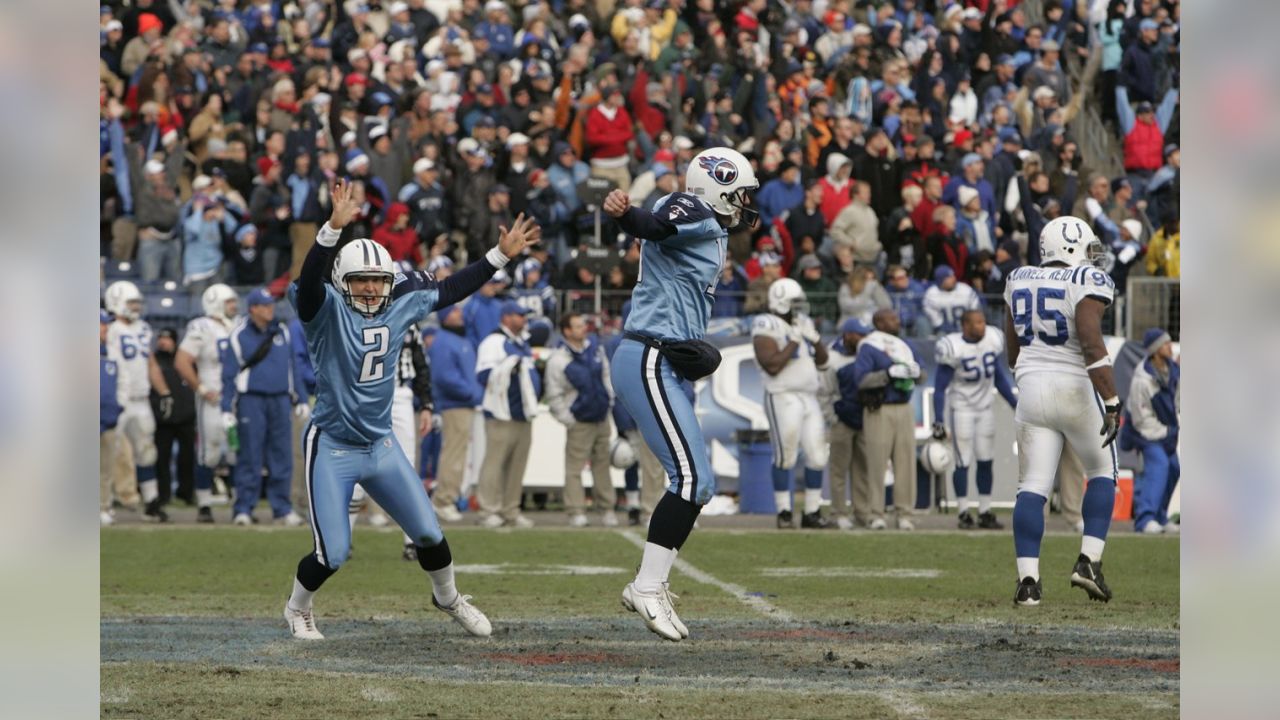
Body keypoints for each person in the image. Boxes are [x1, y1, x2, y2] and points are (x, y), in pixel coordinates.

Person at [282, 178, 537, 640]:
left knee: (430, 535)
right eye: (361, 280)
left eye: (378, 281)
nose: (371, 289)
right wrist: (330, 231)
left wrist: (499, 256)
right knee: (333, 553)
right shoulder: (325, 309)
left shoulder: (399, 305)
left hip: (379, 444)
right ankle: (298, 608)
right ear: (342, 281)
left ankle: (449, 599)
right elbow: (308, 287)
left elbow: (452, 289)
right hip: (334, 445)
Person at [603, 146, 759, 642]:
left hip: (664, 358)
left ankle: (649, 584)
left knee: (700, 482)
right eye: (740, 193)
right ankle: (647, 586)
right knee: (692, 479)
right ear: (718, 186)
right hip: (649, 353)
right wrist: (628, 214)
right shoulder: (691, 208)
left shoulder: (712, 231)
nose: (745, 204)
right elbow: (654, 226)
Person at [1003, 215, 1121, 606]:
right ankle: (1088, 561)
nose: (1092, 257)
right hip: (1073, 388)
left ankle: (1028, 584)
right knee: (1102, 472)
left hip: (1032, 389)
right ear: (1072, 247)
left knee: (1032, 488)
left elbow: (1012, 352)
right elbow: (1090, 342)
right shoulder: (1086, 281)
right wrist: (1112, 400)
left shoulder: (1017, 277)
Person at [221, 289, 307, 527]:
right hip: (251, 400)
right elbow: (229, 374)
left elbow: (293, 368)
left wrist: (300, 397)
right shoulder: (238, 335)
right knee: (249, 455)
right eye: (265, 305)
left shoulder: (283, 332)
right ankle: (244, 508)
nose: (270, 309)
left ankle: (282, 508)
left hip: (280, 399)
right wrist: (226, 408)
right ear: (253, 309)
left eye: (271, 304)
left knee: (282, 456)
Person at [751, 278, 831, 529]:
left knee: (818, 456)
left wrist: (815, 340)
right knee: (785, 456)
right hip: (782, 394)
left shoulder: (802, 323)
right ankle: (784, 512)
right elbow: (772, 365)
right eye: (794, 302)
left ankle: (812, 512)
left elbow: (824, 363)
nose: (799, 307)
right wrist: (795, 341)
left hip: (809, 396)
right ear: (780, 301)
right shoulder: (765, 323)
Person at [932, 310, 1018, 530]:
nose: (981, 326)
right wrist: (939, 420)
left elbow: (998, 376)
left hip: (985, 408)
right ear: (964, 325)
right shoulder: (952, 347)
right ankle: (962, 511)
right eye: (976, 322)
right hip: (961, 408)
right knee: (963, 461)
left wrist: (1015, 404)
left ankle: (985, 511)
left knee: (986, 460)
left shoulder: (993, 338)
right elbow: (940, 387)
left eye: (983, 321)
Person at [850, 309, 925, 530]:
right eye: (892, 319)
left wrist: (915, 373)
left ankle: (904, 513)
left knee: (905, 463)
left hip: (904, 407)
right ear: (879, 322)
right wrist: (887, 375)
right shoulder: (869, 346)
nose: (897, 321)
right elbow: (861, 380)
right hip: (880, 408)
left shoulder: (904, 345)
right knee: (876, 463)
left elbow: (922, 374)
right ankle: (875, 513)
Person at [103, 281, 168, 522]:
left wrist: (164, 391)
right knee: (109, 452)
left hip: (141, 399)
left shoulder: (143, 328)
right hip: (117, 399)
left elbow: (150, 362)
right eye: (131, 302)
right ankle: (104, 504)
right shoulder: (109, 329)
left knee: (146, 452)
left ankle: (151, 502)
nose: (136, 307)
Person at [544, 313, 617, 528]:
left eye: (583, 325)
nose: (583, 329)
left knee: (602, 465)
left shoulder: (596, 349)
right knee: (575, 468)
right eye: (577, 326)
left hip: (601, 417)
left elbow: (606, 376)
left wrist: (608, 401)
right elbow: (553, 393)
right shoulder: (558, 358)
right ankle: (576, 510)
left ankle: (607, 509)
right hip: (580, 421)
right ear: (566, 331)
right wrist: (568, 419)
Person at [175, 284, 240, 522]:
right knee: (208, 453)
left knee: (236, 451)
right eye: (229, 302)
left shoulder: (239, 324)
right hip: (213, 400)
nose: (234, 306)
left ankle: (239, 504)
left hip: (236, 400)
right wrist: (201, 388)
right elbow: (182, 361)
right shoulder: (201, 326)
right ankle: (204, 505)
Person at [475, 301, 543, 528]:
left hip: (523, 413)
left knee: (517, 465)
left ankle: (511, 509)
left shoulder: (521, 342)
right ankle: (488, 509)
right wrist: (510, 369)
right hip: (501, 413)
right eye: (519, 315)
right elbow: (484, 375)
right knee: (494, 463)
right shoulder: (494, 342)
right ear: (506, 317)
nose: (523, 319)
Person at [428, 304, 484, 523]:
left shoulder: (461, 340)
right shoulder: (444, 341)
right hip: (455, 404)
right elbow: (443, 377)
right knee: (453, 454)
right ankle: (443, 500)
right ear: (444, 316)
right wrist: (471, 393)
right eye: (453, 311)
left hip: (465, 403)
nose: (459, 314)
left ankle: (449, 497)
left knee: (458, 454)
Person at [1126, 328, 1180, 534]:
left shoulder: (1174, 370)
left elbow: (1178, 401)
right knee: (1160, 465)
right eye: (1165, 343)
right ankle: (1144, 519)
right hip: (1144, 434)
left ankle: (1160, 517)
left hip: (1166, 432)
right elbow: (1140, 419)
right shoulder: (1142, 379)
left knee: (1175, 468)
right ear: (1156, 350)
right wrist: (1165, 432)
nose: (1170, 346)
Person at [821, 318, 871, 530]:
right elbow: (824, 391)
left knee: (863, 468)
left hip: (866, 416)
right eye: (859, 335)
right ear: (848, 335)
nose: (863, 339)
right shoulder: (831, 355)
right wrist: (832, 416)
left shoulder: (867, 351)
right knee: (838, 468)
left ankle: (863, 512)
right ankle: (839, 512)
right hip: (842, 418)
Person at [150, 329, 196, 509]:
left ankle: (186, 493)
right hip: (163, 420)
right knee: (161, 459)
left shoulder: (184, 361)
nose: (164, 342)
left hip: (185, 417)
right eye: (161, 338)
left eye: (168, 339)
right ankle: (163, 494)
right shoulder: (154, 361)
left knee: (187, 458)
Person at [101, 310, 125, 526]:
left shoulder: (112, 353)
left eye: (106, 325)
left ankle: (103, 506)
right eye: (102, 325)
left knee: (106, 467)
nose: (105, 329)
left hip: (107, 417)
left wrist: (118, 408)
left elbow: (122, 382)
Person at [923, 265, 981, 336]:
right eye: (949, 277)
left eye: (953, 275)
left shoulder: (965, 289)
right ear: (941, 281)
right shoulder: (931, 294)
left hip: (967, 330)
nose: (953, 278)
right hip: (944, 332)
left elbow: (975, 311)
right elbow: (936, 321)